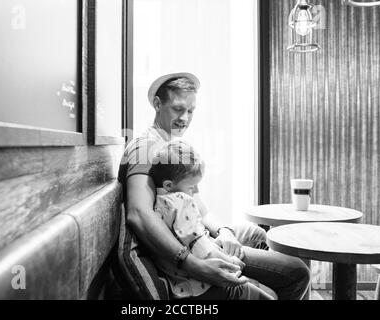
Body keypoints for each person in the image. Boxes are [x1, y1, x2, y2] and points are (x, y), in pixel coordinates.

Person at [117, 72, 310, 300]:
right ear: (158, 104)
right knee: (298, 272)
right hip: (187, 242)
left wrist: (224, 232)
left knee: (256, 233)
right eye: (178, 109)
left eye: (191, 111)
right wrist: (193, 265)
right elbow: (138, 214)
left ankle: (256, 286)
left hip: (196, 229)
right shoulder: (146, 148)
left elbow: (199, 205)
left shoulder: (174, 147)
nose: (185, 118)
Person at [150, 140, 275, 300]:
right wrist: (230, 261)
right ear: (169, 185)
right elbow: (200, 246)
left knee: (255, 234)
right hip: (202, 283)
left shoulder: (159, 202)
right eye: (192, 187)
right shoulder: (181, 200)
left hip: (180, 283)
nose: (196, 191)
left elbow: (188, 238)